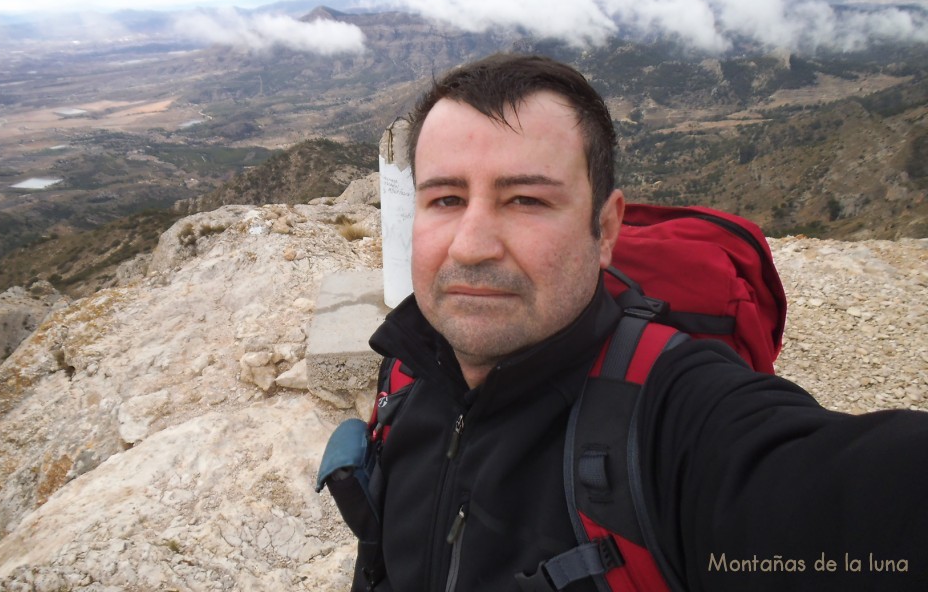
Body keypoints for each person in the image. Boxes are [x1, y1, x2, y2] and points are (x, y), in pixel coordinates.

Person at [352, 53, 928, 591]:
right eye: (446, 199)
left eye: (526, 199)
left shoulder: (677, 418)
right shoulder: (407, 372)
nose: (472, 246)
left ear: (605, 230)